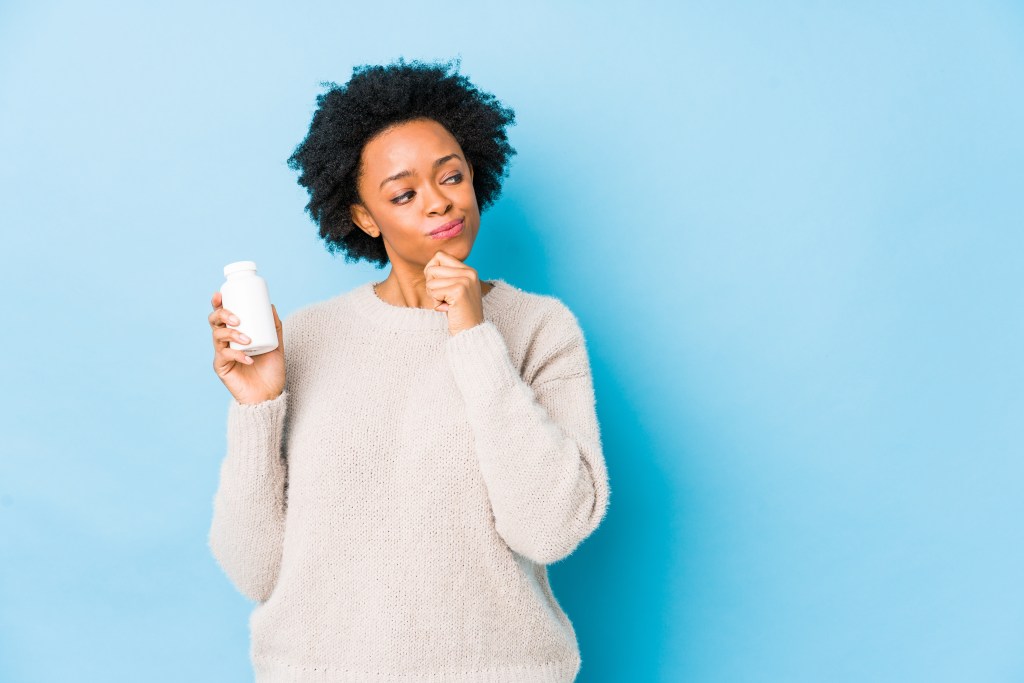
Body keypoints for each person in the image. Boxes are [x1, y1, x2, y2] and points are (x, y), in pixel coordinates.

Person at [206, 57, 610, 682]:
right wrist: (257, 407)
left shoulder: (538, 328)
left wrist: (474, 335)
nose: (440, 202)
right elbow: (253, 570)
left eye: (452, 176)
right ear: (365, 217)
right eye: (403, 193)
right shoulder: (310, 338)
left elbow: (549, 526)